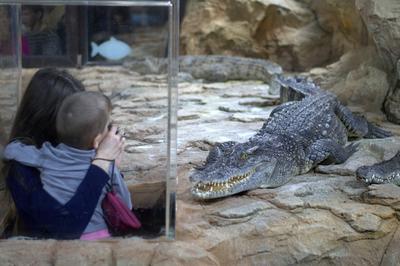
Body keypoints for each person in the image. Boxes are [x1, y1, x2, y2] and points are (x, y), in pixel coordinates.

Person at [1, 68, 124, 239]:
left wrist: (113, 167)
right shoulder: (22, 168)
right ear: (52, 118)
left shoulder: (60, 151)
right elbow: (67, 228)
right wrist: (102, 162)